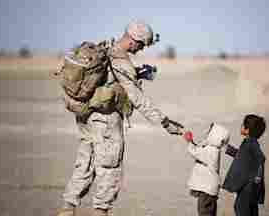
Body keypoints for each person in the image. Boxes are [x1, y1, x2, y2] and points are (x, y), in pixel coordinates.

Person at [57, 20, 184, 216]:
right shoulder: (120, 59)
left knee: (86, 164)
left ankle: (67, 209)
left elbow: (111, 79)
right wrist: (164, 121)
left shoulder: (106, 49)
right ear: (133, 40)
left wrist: (136, 73)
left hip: (85, 117)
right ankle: (102, 211)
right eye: (141, 45)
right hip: (106, 122)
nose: (140, 50)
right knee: (110, 168)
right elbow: (136, 97)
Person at [222, 114, 266, 216]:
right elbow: (242, 155)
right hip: (250, 187)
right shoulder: (249, 142)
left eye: (243, 125)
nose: (241, 126)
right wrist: (227, 148)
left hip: (248, 187)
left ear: (247, 130)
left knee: (241, 208)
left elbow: (261, 158)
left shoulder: (251, 143)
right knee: (249, 209)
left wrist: (258, 177)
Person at [183, 123, 230, 216]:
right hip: (209, 190)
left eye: (210, 132)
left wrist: (189, 141)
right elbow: (199, 150)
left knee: (204, 212)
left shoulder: (211, 150)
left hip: (207, 191)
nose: (207, 133)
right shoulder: (212, 149)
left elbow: (194, 152)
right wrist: (191, 142)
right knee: (208, 212)